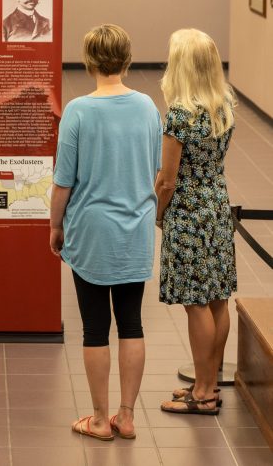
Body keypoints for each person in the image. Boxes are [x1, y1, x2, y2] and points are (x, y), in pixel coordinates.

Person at [49, 25, 161, 442]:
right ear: (128, 60)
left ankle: (98, 419)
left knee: (95, 327)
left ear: (89, 60)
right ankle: (127, 416)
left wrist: (55, 226)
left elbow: (64, 182)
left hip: (92, 232)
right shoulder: (149, 106)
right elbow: (153, 168)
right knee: (131, 322)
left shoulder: (79, 111)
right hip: (135, 229)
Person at [156, 29, 237, 416]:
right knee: (218, 298)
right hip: (217, 206)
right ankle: (209, 385)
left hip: (188, 211)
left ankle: (202, 393)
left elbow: (167, 179)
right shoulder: (224, 106)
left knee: (195, 304)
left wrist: (158, 212)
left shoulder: (178, 115)